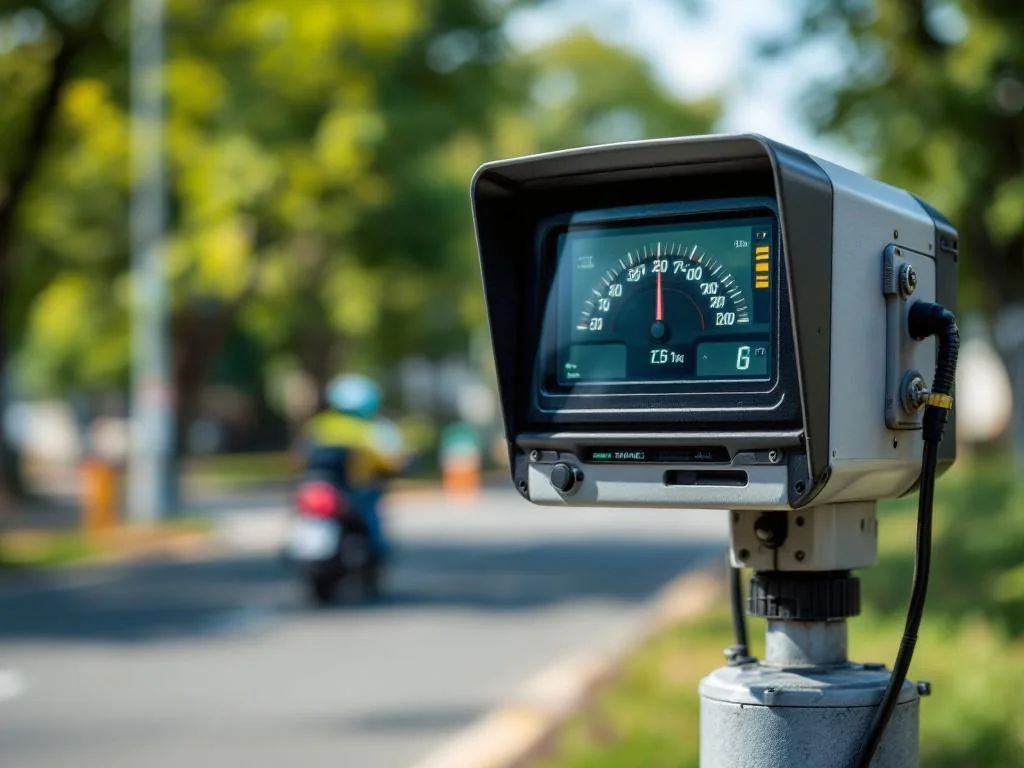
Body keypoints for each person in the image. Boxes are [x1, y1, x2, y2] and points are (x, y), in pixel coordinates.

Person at [302, 374, 404, 555]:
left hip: (317, 485)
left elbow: (300, 455)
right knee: (371, 518)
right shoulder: (372, 428)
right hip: (355, 488)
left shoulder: (320, 424)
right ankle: (375, 549)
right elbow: (388, 459)